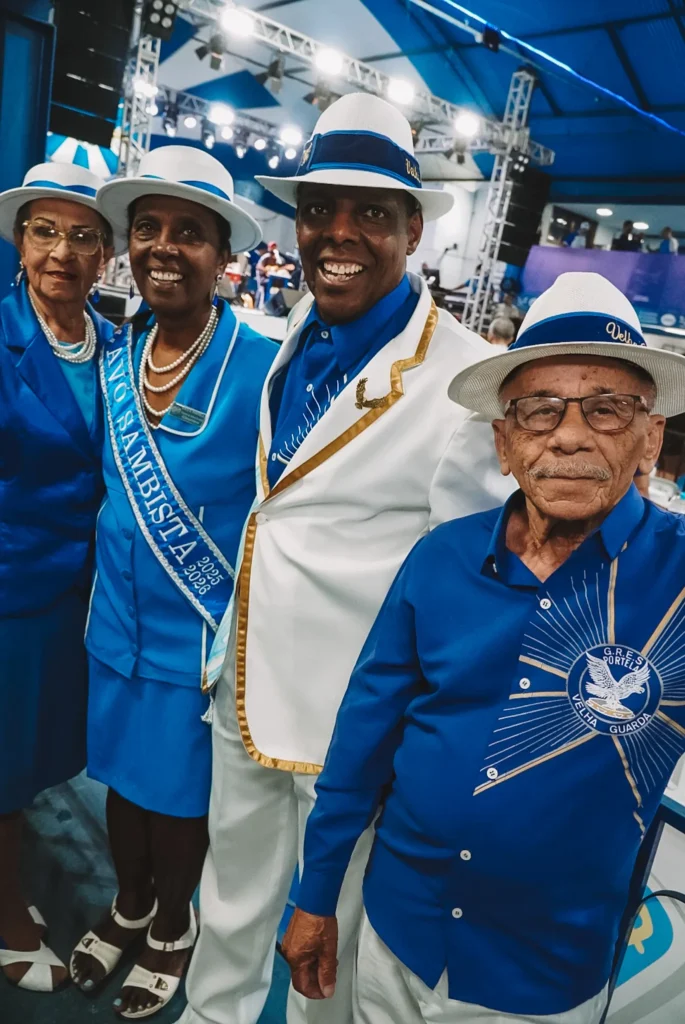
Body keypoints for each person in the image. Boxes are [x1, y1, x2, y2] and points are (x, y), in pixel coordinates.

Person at [178, 91, 513, 1024]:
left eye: (370, 213)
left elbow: (474, 595)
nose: (338, 233)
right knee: (231, 911)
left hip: (353, 740)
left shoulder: (462, 380)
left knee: (328, 960)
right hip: (244, 692)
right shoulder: (297, 328)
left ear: (413, 230)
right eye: (319, 207)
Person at [282, 271, 685, 1024]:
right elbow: (360, 745)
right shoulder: (438, 559)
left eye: (606, 410)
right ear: (503, 443)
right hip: (398, 936)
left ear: (649, 439)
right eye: (537, 412)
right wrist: (313, 896)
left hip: (540, 976)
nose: (568, 435)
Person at [68, 146, 277, 1019]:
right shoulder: (118, 352)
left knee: (179, 800)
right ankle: (127, 904)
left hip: (199, 639)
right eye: (147, 229)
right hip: (115, 622)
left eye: (187, 233)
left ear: (222, 251)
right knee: (119, 782)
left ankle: (170, 928)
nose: (163, 247)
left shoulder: (263, 364)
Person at [0, 163, 117, 992]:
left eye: (82, 236)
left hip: (81, 602)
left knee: (40, 759)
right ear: (19, 242)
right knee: (6, 769)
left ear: (105, 254)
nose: (61, 252)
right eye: (44, 231)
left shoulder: (116, 349)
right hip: (9, 596)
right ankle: (6, 915)